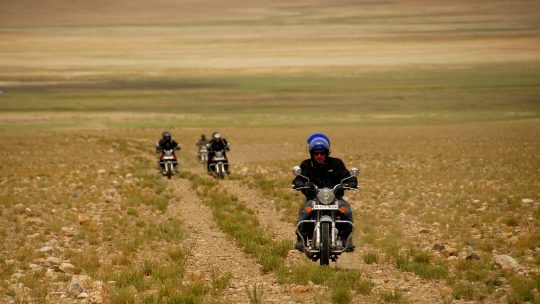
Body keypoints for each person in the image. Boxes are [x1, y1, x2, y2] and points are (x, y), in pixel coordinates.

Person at [292, 133, 357, 252]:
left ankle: (347, 239)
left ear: (327, 153)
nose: (319, 156)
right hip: (314, 198)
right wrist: (298, 182)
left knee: (345, 209)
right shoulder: (306, 165)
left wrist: (351, 181)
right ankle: (301, 239)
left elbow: (346, 175)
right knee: (305, 211)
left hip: (335, 198)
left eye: (322, 153)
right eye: (316, 153)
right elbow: (299, 178)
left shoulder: (336, 163)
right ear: (311, 153)